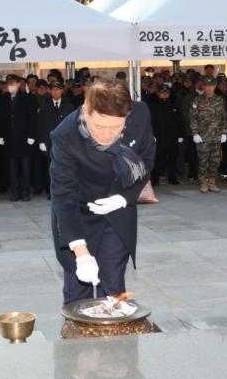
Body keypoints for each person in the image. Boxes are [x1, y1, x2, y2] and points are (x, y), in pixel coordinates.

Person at [50, 79, 155, 304]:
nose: (107, 135)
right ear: (86, 111)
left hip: (117, 211)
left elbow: (146, 160)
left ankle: (117, 325)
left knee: (113, 286)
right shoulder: (65, 135)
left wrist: (124, 198)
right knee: (77, 288)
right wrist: (81, 252)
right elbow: (63, 193)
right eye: (98, 126)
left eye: (116, 127)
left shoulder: (141, 114)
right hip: (78, 212)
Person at [0, 74, 38, 201]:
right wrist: (0, 135)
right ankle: (15, 192)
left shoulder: (28, 98)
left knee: (25, 167)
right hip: (9, 138)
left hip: (24, 138)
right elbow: (0, 119)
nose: (10, 86)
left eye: (13, 83)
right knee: (12, 168)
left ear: (19, 84)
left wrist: (31, 135)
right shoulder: (3, 99)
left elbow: (32, 118)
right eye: (9, 83)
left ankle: (25, 192)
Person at [189, 77, 227, 192]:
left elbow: (224, 117)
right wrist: (195, 133)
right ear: (203, 86)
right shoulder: (198, 100)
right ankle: (203, 181)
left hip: (216, 135)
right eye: (206, 86)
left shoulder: (220, 100)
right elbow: (193, 118)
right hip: (203, 136)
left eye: (211, 86)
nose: (209, 88)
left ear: (215, 86)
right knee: (203, 160)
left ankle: (212, 181)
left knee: (215, 160)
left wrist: (224, 132)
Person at [38, 81, 75, 198]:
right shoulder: (45, 105)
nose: (55, 92)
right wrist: (41, 141)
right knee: (51, 167)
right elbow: (40, 125)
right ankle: (52, 192)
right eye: (53, 89)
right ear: (50, 91)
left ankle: (64, 190)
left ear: (62, 91)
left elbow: (73, 126)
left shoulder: (68, 106)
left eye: (58, 89)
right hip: (49, 142)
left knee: (65, 167)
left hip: (64, 143)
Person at [150, 84, 184, 187]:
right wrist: (151, 135)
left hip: (173, 137)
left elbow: (180, 121)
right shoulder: (153, 105)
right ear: (158, 93)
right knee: (157, 159)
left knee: (173, 159)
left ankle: (172, 178)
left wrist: (180, 135)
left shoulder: (174, 104)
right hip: (159, 137)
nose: (164, 94)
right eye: (162, 92)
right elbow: (150, 122)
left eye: (166, 92)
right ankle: (154, 179)